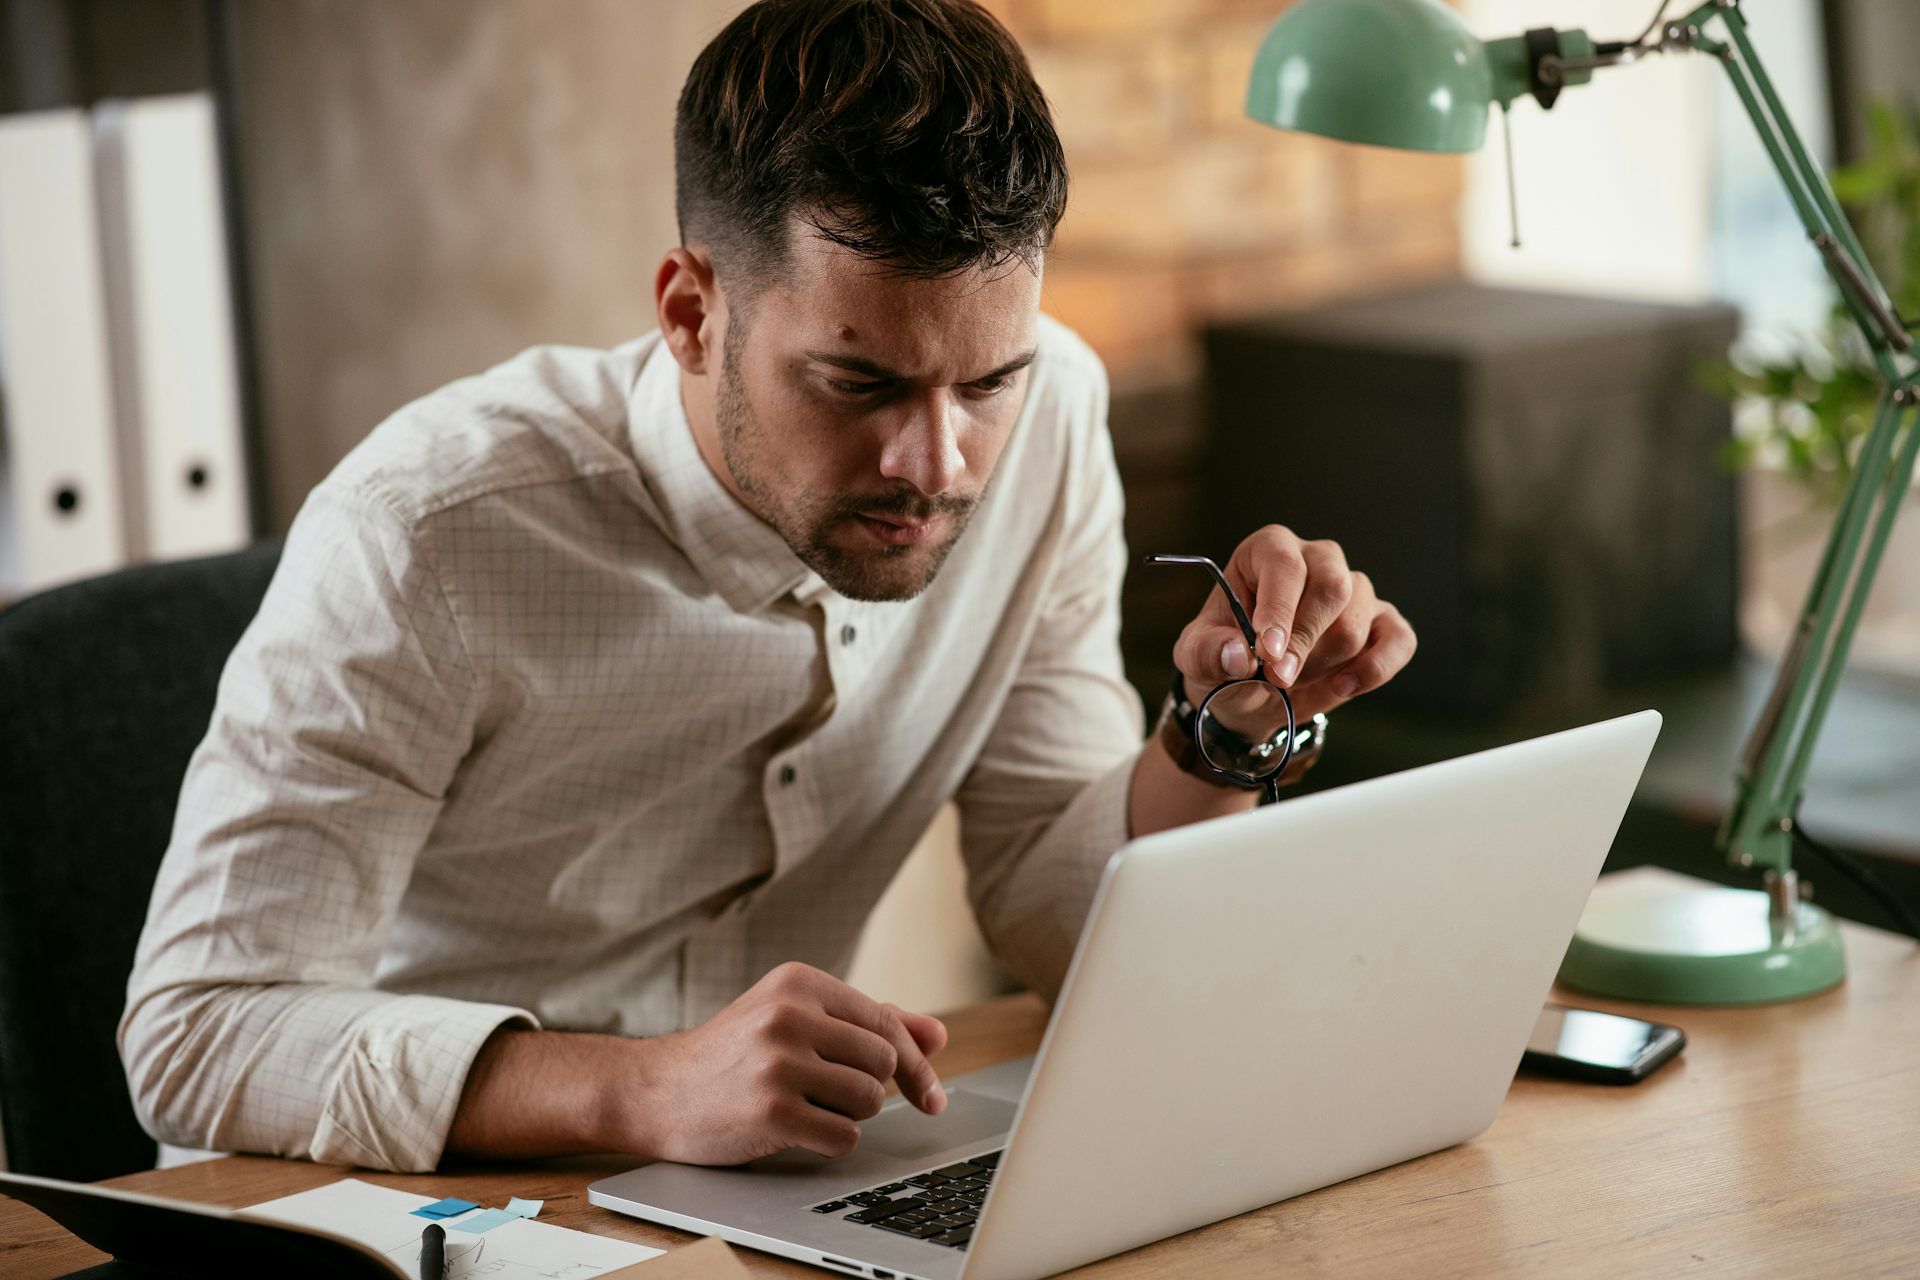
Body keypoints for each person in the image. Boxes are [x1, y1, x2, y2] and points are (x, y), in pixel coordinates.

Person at [120, 0, 1415, 1175]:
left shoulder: (1057, 417)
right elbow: (196, 1038)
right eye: (859, 385)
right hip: (403, 1208)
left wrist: (1225, 731)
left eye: (985, 382)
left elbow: (1054, 906)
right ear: (691, 311)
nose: (940, 467)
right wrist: (646, 1091)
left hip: (758, 1201)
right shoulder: (423, 535)